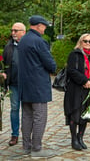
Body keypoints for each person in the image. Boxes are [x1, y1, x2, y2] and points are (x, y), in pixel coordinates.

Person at [18, 15, 56, 157]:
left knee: (26, 116)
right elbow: (51, 65)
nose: (45, 28)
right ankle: (37, 149)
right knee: (40, 117)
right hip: (38, 86)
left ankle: (26, 147)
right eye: (44, 25)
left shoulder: (23, 41)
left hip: (24, 85)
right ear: (39, 25)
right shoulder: (40, 42)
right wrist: (53, 66)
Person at [64, 33, 90, 151]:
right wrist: (84, 80)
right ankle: (74, 138)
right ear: (81, 41)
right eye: (85, 41)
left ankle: (80, 137)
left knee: (85, 114)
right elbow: (71, 70)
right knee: (75, 113)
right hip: (75, 89)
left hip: (88, 89)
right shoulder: (75, 54)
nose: (88, 43)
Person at [2, 23, 26, 146]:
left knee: (28, 110)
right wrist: (3, 74)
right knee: (15, 109)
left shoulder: (29, 45)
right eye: (12, 30)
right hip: (14, 84)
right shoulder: (8, 47)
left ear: (23, 32)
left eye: (16, 30)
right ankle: (15, 134)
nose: (13, 33)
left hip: (28, 85)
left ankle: (27, 135)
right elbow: (4, 64)